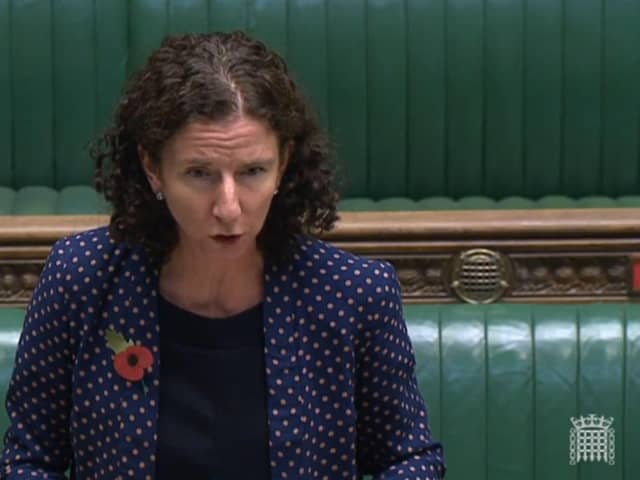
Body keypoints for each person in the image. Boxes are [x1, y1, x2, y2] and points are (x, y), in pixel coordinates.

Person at [0, 32, 445, 479]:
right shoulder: (81, 278)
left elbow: (410, 459)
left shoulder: (352, 294)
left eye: (252, 171)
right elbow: (30, 459)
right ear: (153, 168)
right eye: (199, 173)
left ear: (284, 163)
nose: (229, 208)